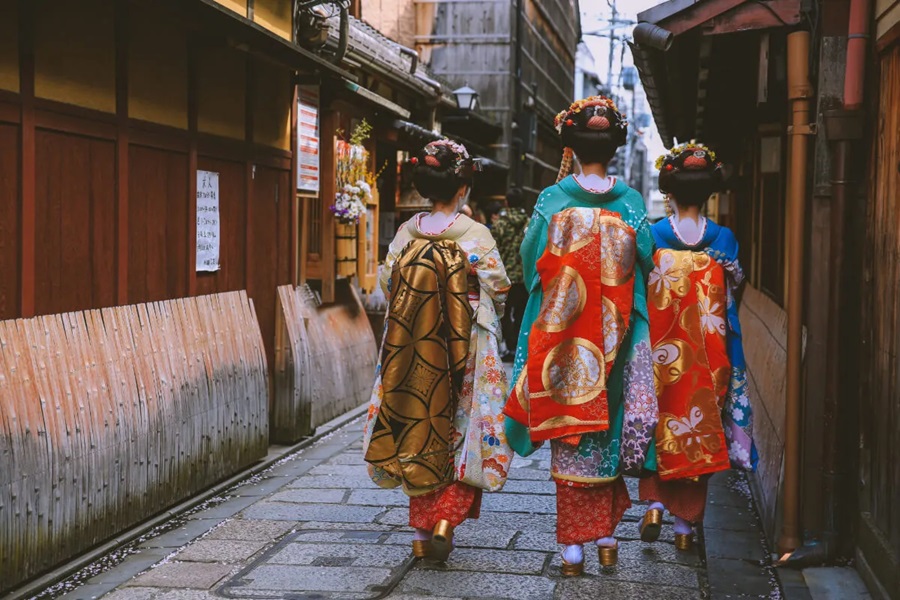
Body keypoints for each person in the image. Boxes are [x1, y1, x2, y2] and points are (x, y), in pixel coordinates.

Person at [503, 96, 658, 576]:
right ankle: (607, 537)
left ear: (569, 144)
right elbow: (647, 257)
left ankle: (573, 547)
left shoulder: (554, 199)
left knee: (568, 425)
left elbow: (530, 262)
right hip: (617, 333)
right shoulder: (631, 202)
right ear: (615, 146)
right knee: (609, 423)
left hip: (566, 334)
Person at [363, 139, 513, 563]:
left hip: (414, 342)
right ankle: (447, 518)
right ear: (463, 189)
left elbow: (388, 284)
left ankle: (420, 533)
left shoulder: (406, 233)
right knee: (464, 429)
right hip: (466, 342)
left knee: (418, 421)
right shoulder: (475, 234)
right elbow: (499, 287)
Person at [638, 142, 757, 551]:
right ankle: (685, 528)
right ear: (709, 192)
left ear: (667, 191)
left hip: (662, 349)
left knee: (659, 419)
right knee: (700, 425)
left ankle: (655, 504)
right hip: (709, 351)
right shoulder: (724, 240)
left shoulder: (654, 235)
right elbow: (734, 293)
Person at [493, 188, 530, 362]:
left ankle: (507, 347)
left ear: (506, 202)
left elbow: (493, 250)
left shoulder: (499, 224)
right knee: (522, 313)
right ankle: (518, 347)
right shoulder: (529, 223)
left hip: (504, 276)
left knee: (504, 313)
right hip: (524, 276)